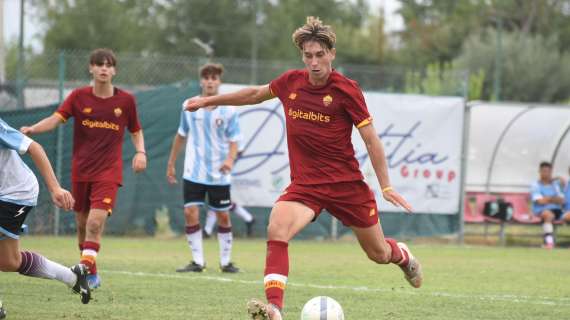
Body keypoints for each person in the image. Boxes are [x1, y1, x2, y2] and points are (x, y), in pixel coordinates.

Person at [184, 17, 422, 320]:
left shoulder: (347, 90)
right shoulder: (290, 82)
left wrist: (386, 186)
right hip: (306, 186)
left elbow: (372, 141)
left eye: (320, 55)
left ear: (332, 54)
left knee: (379, 254)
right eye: (308, 56)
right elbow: (255, 94)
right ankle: (275, 308)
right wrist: (208, 101)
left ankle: (402, 256)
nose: (314, 62)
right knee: (277, 227)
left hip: (346, 185)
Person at [20, 48, 147, 289]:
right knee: (81, 223)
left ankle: (86, 271)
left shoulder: (126, 101)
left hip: (109, 172)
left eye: (108, 65)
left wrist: (141, 152)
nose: (103, 68)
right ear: (91, 68)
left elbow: (136, 130)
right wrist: (33, 129)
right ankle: (90, 270)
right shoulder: (78, 97)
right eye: (99, 64)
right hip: (81, 171)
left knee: (94, 223)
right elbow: (56, 119)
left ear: (114, 70)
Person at [0, 117, 91, 309]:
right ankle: (73, 277)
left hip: (15, 192)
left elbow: (35, 148)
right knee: (9, 261)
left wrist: (55, 189)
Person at [167, 63, 242, 273]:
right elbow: (181, 135)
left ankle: (226, 262)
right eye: (206, 78)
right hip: (194, 172)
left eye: (214, 78)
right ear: (201, 81)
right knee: (190, 212)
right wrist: (171, 164)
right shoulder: (190, 105)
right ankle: (197, 261)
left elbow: (235, 140)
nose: (210, 81)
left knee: (223, 216)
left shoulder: (229, 109)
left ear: (219, 82)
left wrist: (230, 160)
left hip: (219, 174)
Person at [530, 162, 569, 249]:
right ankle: (549, 242)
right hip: (541, 211)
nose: (546, 174)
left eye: (548, 171)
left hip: (558, 210)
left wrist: (548, 198)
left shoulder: (555, 185)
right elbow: (540, 201)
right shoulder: (535, 185)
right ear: (539, 171)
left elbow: (562, 200)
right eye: (544, 171)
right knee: (548, 215)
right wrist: (553, 199)